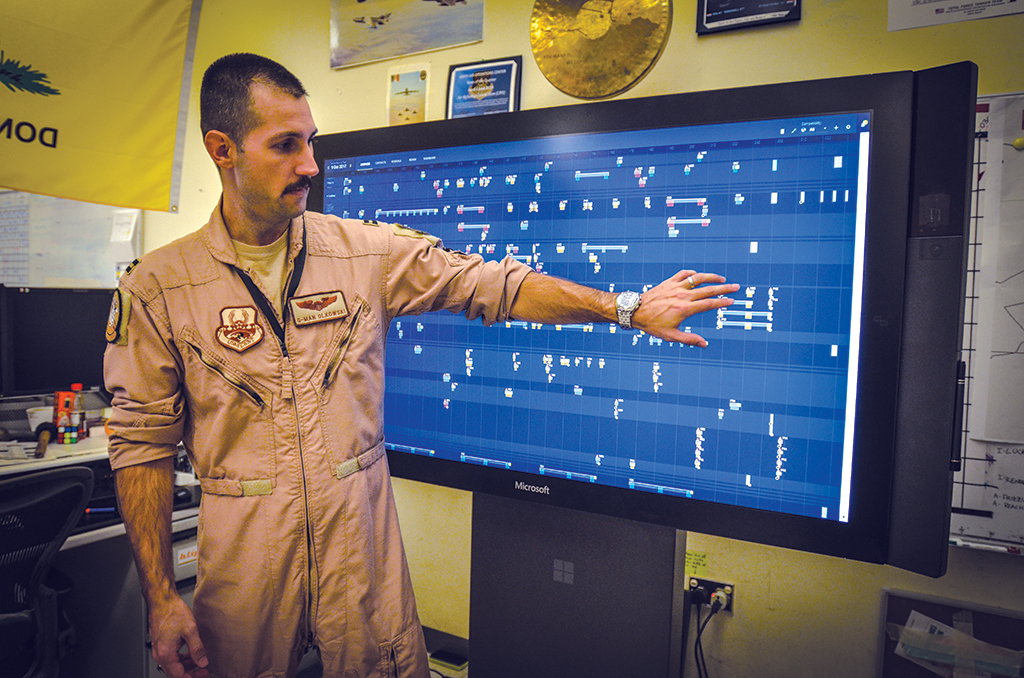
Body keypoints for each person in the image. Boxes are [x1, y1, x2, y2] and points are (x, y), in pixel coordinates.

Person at [103, 53, 739, 678]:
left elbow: (493, 285)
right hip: (246, 561)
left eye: (312, 141)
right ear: (223, 150)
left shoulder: (363, 254)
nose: (310, 165)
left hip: (360, 553)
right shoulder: (158, 289)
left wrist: (624, 308)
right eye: (286, 145)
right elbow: (140, 446)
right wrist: (161, 597)